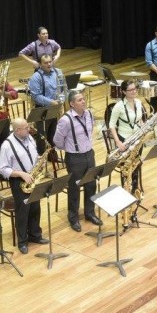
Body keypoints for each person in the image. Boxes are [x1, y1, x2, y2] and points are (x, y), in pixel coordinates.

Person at [53, 90, 101, 232]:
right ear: (72, 104)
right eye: (80, 100)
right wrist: (70, 148)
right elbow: (57, 141)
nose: (84, 101)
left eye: (83, 99)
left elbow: (90, 130)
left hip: (89, 154)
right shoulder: (65, 120)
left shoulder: (89, 114)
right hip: (74, 158)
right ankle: (73, 217)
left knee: (91, 185)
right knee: (74, 188)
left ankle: (89, 213)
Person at [0, 118, 48, 254]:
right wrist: (20, 174)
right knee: (23, 211)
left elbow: (34, 155)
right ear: (17, 130)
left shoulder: (30, 139)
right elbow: (3, 169)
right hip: (19, 181)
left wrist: (39, 160)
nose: (29, 129)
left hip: (33, 177)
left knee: (35, 208)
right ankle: (22, 241)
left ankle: (35, 235)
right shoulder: (7, 146)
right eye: (26, 128)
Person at [109, 80, 147, 194]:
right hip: (124, 140)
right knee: (126, 167)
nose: (134, 91)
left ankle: (134, 190)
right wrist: (118, 142)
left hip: (137, 138)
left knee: (136, 164)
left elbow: (139, 118)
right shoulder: (119, 106)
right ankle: (126, 191)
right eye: (130, 90)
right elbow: (111, 125)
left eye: (135, 89)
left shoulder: (139, 102)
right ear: (124, 91)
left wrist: (142, 126)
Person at [29, 54, 64, 154]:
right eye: (46, 63)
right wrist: (51, 102)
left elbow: (63, 89)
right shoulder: (36, 77)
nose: (49, 64)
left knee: (53, 134)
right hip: (42, 110)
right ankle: (41, 160)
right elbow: (36, 96)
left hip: (55, 108)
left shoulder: (58, 72)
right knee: (42, 137)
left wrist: (61, 100)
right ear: (40, 64)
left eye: (50, 61)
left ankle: (53, 157)